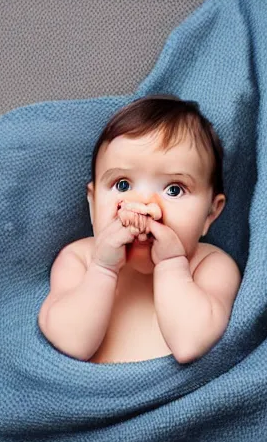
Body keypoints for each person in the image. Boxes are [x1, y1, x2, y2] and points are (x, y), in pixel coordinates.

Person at [37, 94, 242, 364]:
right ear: (93, 203)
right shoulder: (80, 259)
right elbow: (72, 343)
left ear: (210, 213)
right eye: (123, 184)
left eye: (174, 189)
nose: (146, 207)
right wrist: (102, 268)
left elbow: (189, 343)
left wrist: (172, 264)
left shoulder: (211, 266)